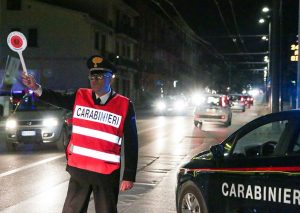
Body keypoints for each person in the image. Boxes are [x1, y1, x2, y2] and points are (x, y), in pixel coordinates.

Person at [22, 55, 138, 213]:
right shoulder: (80, 96)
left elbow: (131, 142)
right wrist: (36, 87)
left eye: (99, 76)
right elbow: (57, 98)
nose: (94, 80)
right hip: (79, 171)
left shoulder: (124, 105)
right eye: (92, 76)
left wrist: (129, 175)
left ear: (110, 79)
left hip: (106, 174)